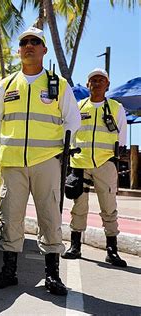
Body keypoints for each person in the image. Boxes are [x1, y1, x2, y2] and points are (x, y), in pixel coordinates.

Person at [0, 27, 81, 296]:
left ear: (44, 49)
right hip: (13, 163)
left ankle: (52, 275)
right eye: (24, 42)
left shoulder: (57, 84)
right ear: (19, 51)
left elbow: (73, 121)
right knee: (10, 216)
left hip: (46, 161)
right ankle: (9, 271)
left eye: (35, 42)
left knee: (49, 216)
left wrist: (57, 153)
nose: (29, 46)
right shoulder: (6, 84)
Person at [62, 68, 128, 267]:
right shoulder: (79, 107)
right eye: (93, 80)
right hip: (80, 164)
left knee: (109, 207)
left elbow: (121, 136)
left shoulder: (116, 108)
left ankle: (111, 250)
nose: (97, 83)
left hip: (104, 163)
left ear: (107, 85)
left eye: (101, 80)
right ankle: (75, 246)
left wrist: (113, 161)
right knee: (78, 207)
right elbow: (70, 133)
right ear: (88, 84)